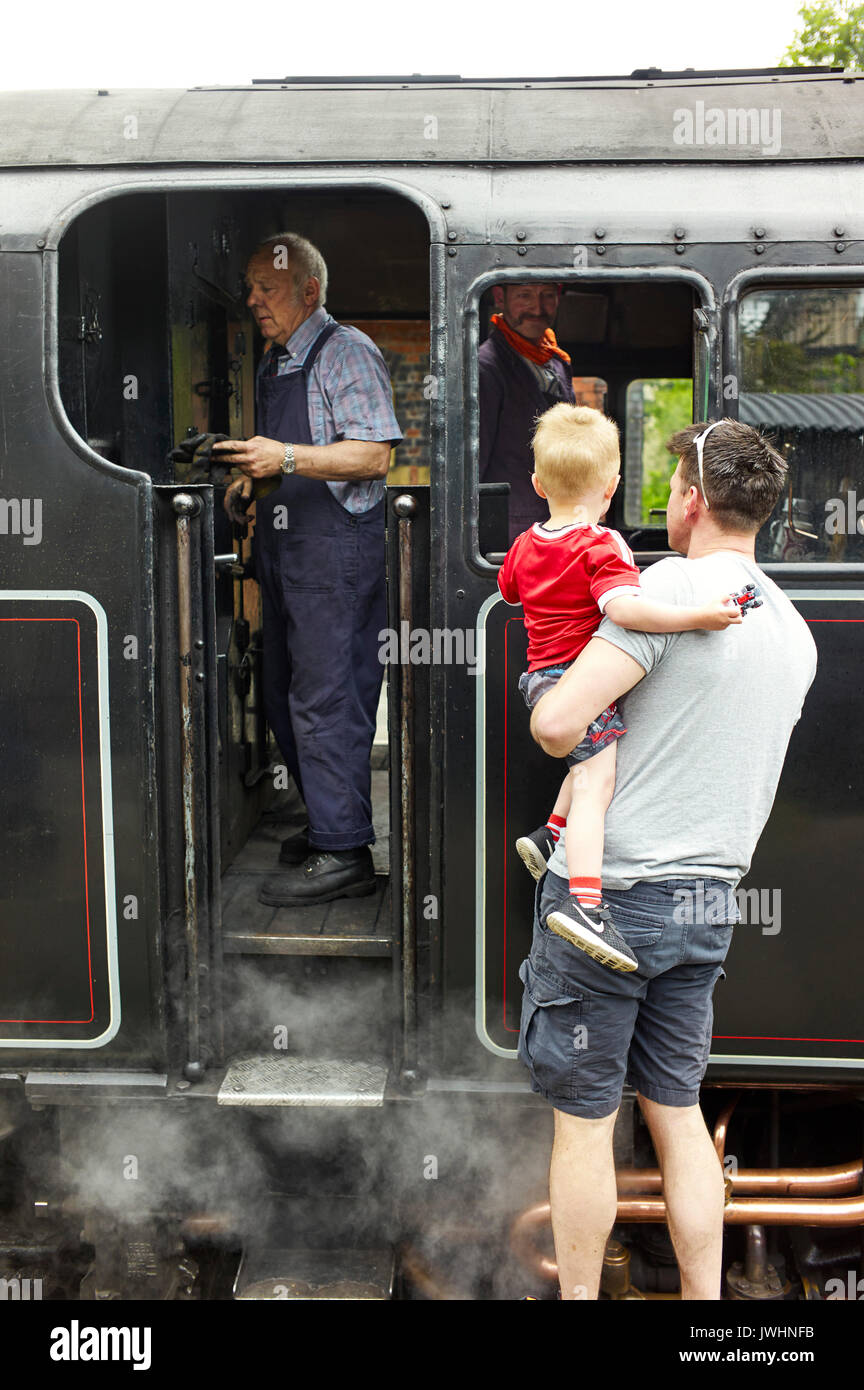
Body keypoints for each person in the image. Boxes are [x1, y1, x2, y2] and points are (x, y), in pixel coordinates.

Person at [522, 418, 817, 1300]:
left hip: (610, 901)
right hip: (705, 907)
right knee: (679, 1115)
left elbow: (556, 723)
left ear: (690, 498)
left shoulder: (666, 590)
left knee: (584, 1126)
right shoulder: (792, 628)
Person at [497, 405, 742, 972]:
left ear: (537, 484)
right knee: (596, 785)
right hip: (574, 680)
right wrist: (698, 617)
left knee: (586, 768)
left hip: (539, 677)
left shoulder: (524, 545)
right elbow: (625, 610)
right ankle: (585, 905)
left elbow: (511, 592)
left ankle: (547, 836)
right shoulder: (602, 547)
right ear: (613, 485)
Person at [215, 233, 402, 907]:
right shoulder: (276, 360)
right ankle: (330, 825)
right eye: (251, 288)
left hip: (334, 557)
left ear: (309, 291)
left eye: (267, 288)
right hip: (288, 557)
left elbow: (372, 456)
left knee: (326, 700)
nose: (254, 300)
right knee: (281, 694)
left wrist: (285, 461)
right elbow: (285, 455)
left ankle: (347, 850)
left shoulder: (344, 350)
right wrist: (249, 487)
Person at [479, 282, 575, 543]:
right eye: (525, 296)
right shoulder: (487, 365)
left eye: (547, 296)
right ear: (500, 297)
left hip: (558, 518)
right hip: (511, 527)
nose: (537, 308)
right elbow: (475, 460)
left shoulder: (556, 361)